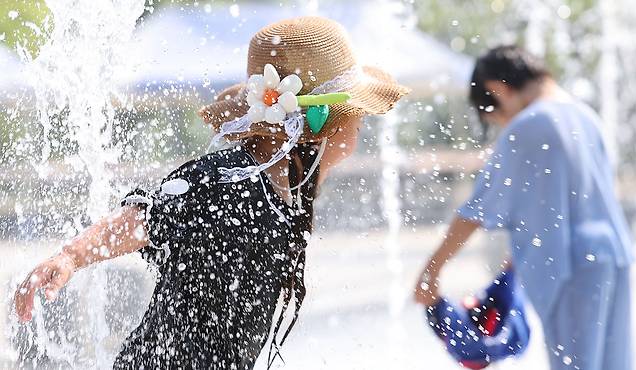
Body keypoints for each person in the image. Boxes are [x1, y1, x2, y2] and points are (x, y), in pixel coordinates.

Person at [14, 17, 408, 369]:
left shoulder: (288, 182)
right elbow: (146, 215)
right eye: (356, 116)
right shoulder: (227, 182)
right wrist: (69, 256)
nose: (361, 126)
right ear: (322, 125)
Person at [414, 46, 633, 370]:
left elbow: (476, 209)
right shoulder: (587, 117)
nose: (504, 124)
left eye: (496, 115)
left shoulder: (530, 124)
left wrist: (431, 271)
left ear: (498, 89)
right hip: (613, 257)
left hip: (571, 267)